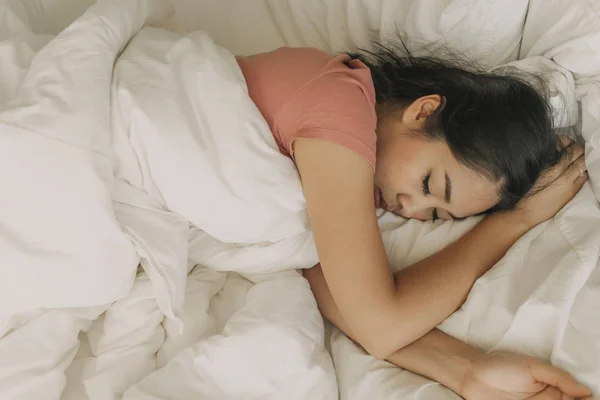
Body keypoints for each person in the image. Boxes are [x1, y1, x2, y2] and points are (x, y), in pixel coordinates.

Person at [237, 40, 592, 399]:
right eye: (429, 184)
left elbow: (336, 293)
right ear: (423, 111)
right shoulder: (337, 103)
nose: (411, 208)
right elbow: (379, 324)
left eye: (436, 214)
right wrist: (515, 223)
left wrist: (467, 371)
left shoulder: (352, 179)